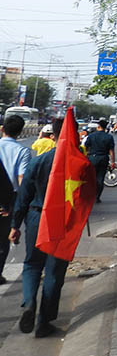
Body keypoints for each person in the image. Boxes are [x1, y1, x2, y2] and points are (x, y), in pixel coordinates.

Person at [9, 118, 70, 338]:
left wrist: (15, 225)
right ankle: (44, 322)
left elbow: (23, 197)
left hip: (36, 217)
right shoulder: (78, 164)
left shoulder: (38, 161)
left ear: (54, 136)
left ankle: (29, 303)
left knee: (32, 264)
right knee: (54, 271)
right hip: (62, 220)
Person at [0, 114, 32, 284]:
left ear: (2, 129)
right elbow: (22, 179)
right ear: (20, 132)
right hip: (9, 199)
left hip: (7, 197)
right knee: (3, 237)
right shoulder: (22, 151)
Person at [85, 119, 116, 203]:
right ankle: (97, 197)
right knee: (100, 178)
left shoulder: (91, 136)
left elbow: (86, 147)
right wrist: (113, 162)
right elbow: (111, 151)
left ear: (98, 126)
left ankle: (91, 195)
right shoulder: (109, 137)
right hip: (104, 158)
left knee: (92, 178)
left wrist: (87, 156)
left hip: (93, 158)